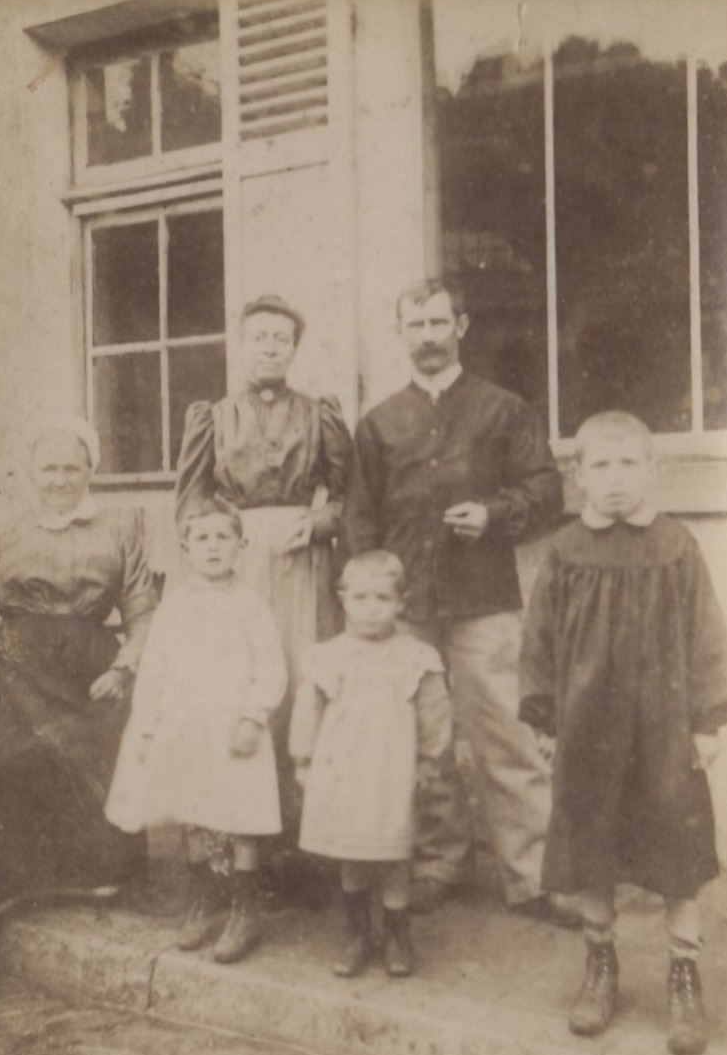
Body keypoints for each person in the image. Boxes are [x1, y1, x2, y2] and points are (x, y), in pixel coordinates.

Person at [342, 278, 571, 923]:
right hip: (405, 610)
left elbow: (547, 491)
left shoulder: (504, 410)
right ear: (400, 334)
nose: (428, 337)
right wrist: (371, 601)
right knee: (422, 742)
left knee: (510, 737)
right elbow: (360, 520)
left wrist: (496, 514)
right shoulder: (379, 424)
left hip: (484, 602)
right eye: (414, 326)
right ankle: (441, 862)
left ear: (462, 326)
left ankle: (535, 876)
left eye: (439, 323)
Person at [518, 411, 727, 1055]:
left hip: (662, 730)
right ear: (577, 476)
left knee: (676, 845)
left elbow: (706, 633)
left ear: (652, 469)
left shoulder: (675, 545)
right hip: (588, 728)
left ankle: (684, 973)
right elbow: (539, 640)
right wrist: (543, 716)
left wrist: (708, 719)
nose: (614, 481)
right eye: (599, 466)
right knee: (592, 844)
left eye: (627, 465)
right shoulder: (565, 551)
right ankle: (600, 964)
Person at [175, 295, 352, 885]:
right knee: (240, 686)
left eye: (281, 337)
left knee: (302, 685)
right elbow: (191, 500)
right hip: (239, 563)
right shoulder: (213, 416)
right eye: (260, 337)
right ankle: (239, 848)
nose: (270, 346)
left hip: (304, 564)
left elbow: (353, 498)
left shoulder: (319, 413)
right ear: (241, 344)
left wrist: (321, 522)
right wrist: (220, 538)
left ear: (294, 348)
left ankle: (305, 849)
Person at [0, 419, 157, 915]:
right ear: (31, 473)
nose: (61, 479)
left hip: (92, 667)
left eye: (72, 467)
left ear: (91, 470)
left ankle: (99, 879)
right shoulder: (0, 529)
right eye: (49, 468)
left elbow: (143, 613)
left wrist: (124, 669)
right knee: (4, 752)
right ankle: (10, 885)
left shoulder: (119, 528)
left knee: (103, 750)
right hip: (13, 665)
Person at [105, 497, 287, 964]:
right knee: (194, 812)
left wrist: (253, 716)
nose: (212, 547)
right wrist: (146, 724)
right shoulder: (175, 607)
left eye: (223, 537)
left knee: (242, 816)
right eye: (201, 539)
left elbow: (271, 666)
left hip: (235, 727)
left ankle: (244, 909)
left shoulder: (251, 605)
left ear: (240, 545)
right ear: (185, 550)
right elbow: (157, 669)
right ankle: (205, 899)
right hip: (187, 725)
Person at [289, 550, 452, 978]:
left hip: (391, 773)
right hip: (344, 771)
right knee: (353, 853)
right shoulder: (331, 654)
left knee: (394, 852)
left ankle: (397, 933)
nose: (370, 607)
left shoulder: (415, 656)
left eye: (382, 598)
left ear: (401, 602)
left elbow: (435, 715)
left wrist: (429, 763)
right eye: (359, 597)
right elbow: (309, 707)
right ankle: (357, 932)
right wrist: (303, 759)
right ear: (342, 599)